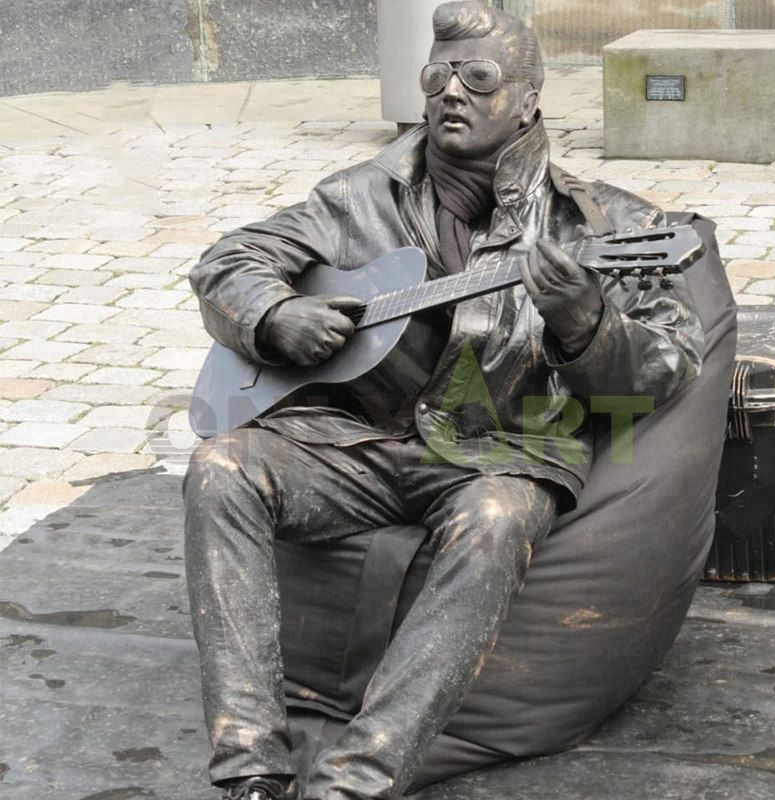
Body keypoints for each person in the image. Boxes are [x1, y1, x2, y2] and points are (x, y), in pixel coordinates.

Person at [184, 3, 704, 799]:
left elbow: (667, 368)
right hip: (356, 440)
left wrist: (586, 322)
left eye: (480, 76)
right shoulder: (360, 194)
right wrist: (273, 314)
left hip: (502, 450)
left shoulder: (608, 223)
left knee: (497, 520)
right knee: (221, 468)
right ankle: (250, 766)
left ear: (530, 97)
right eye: (437, 75)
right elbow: (230, 258)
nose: (451, 90)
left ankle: (358, 779)